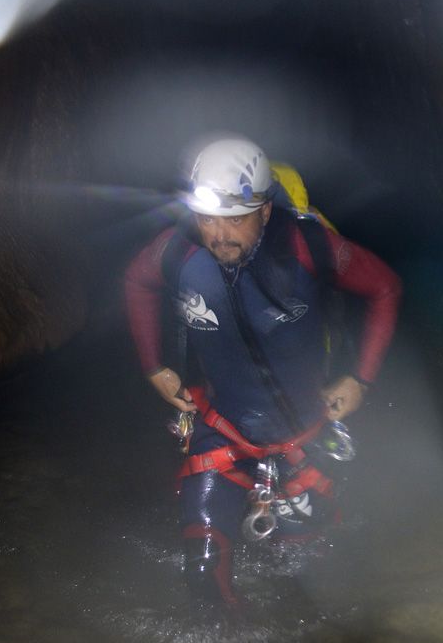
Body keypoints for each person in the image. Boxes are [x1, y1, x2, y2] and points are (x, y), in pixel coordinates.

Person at [124, 136, 401, 607]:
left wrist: (361, 378)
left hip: (304, 434)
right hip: (222, 429)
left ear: (266, 212)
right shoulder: (177, 253)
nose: (219, 234)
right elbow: (137, 281)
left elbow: (385, 288)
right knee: (203, 571)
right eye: (207, 217)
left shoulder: (308, 247)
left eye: (235, 218)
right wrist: (154, 367)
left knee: (310, 581)